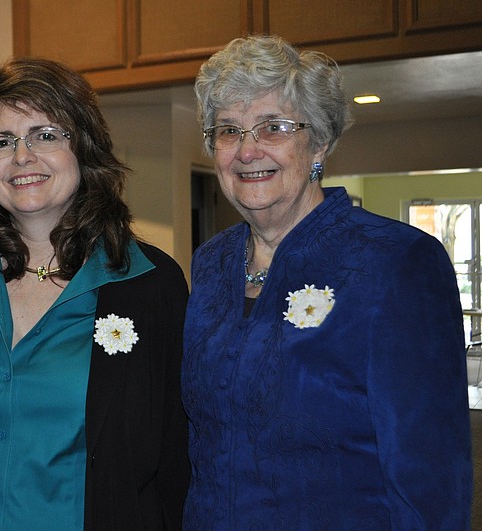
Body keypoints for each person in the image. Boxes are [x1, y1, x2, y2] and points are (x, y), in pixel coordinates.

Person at [181, 35, 473, 529]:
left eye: (273, 127)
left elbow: (430, 473)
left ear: (318, 141)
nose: (248, 150)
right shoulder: (211, 263)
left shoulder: (397, 262)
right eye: (229, 130)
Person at [0, 57, 189, 530]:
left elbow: (177, 452)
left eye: (46, 135)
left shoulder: (150, 285)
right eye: (3, 142)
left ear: (85, 148)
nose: (23, 157)